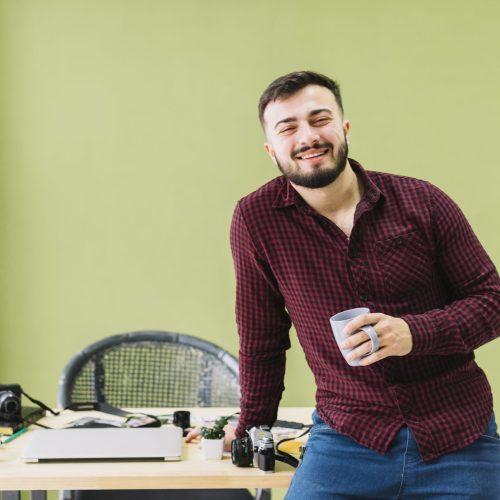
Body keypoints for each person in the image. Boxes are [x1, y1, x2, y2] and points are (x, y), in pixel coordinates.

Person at [188, 70, 500, 498]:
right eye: (288, 127)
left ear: (344, 127)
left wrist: (412, 333)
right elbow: (262, 340)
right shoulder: (256, 220)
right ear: (271, 149)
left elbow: (492, 301)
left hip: (458, 436)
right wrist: (250, 429)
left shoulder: (422, 201)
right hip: (346, 441)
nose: (308, 136)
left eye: (320, 119)